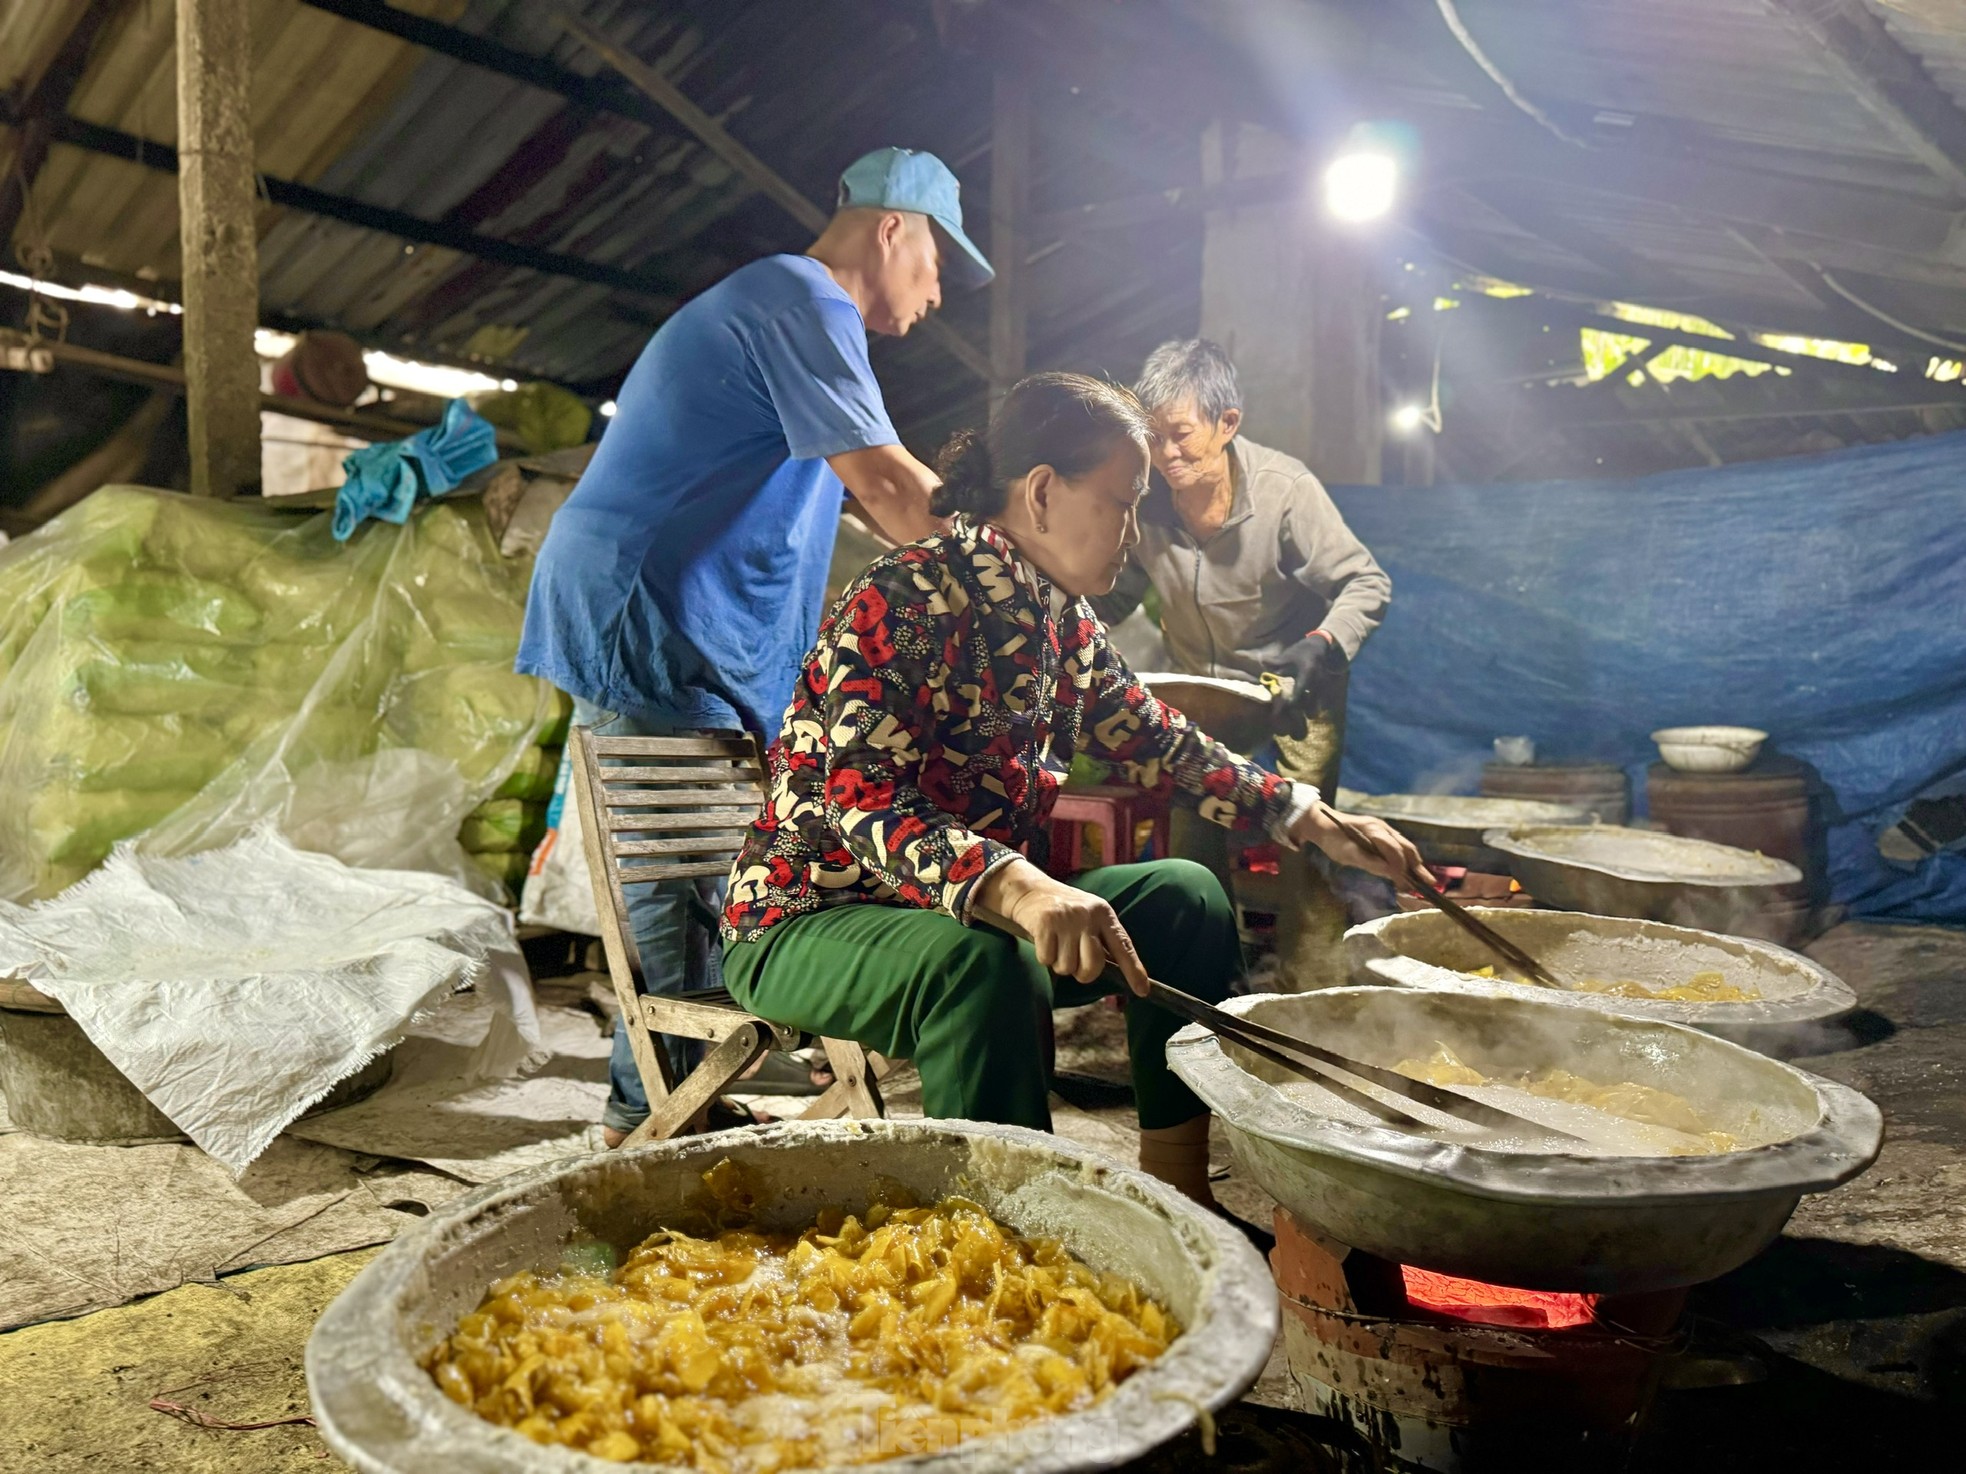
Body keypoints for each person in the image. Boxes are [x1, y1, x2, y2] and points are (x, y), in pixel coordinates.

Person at [720, 372, 1425, 1221]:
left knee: (1186, 898)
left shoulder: (1062, 622)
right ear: (1044, 492)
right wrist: (1017, 886)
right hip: (810, 918)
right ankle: (1017, 1233)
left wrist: (1312, 818)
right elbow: (860, 800)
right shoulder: (903, 596)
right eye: (1123, 502)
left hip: (956, 917)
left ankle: (1178, 1190)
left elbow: (1160, 739)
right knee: (986, 961)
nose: (1134, 529)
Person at [516, 148, 994, 1146]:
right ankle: (644, 1111)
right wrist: (1007, 575)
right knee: (672, 853)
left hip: (688, 611)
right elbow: (893, 489)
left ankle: (668, 1091)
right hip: (641, 601)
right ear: (893, 230)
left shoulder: (811, 332)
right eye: (940, 264)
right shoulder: (798, 299)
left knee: (719, 857)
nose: (938, 295)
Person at [1092, 338, 1394, 984]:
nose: (1165, 455)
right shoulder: (1143, 499)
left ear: (1227, 424)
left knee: (1306, 838)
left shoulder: (1285, 491)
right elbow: (1114, 590)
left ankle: (1309, 988)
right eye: (1153, 437)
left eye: (1180, 435)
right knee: (1193, 838)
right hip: (1201, 692)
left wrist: (1320, 647)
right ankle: (1210, 981)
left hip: (1294, 684)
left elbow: (1365, 584)